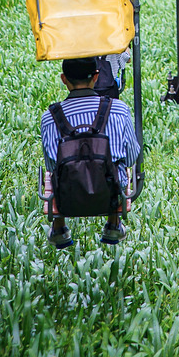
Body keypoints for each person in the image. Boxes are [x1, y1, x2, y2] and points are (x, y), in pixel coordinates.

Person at [41, 56, 140, 249]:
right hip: (110, 191)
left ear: (64, 79)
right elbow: (131, 156)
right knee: (117, 167)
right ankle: (113, 222)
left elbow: (51, 164)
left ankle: (59, 227)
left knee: (54, 174)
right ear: (96, 76)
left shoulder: (50, 117)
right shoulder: (119, 109)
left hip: (67, 193)